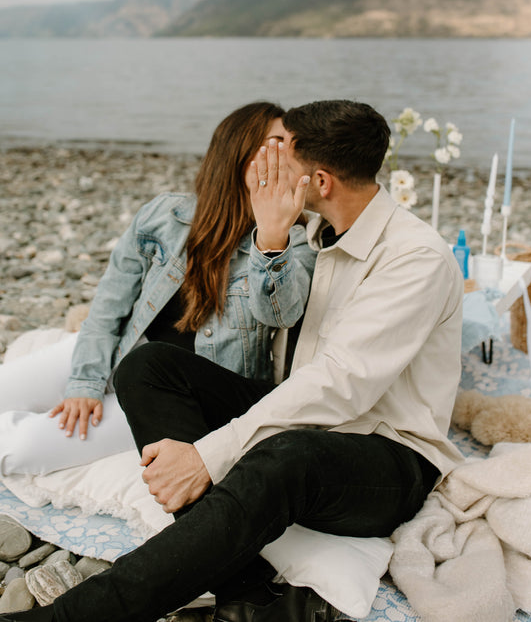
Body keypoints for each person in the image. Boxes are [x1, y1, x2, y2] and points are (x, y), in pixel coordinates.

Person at [0, 99, 464, 622]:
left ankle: (72, 617)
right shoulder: (315, 232)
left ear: (319, 181)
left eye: (282, 158)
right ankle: (247, 595)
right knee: (148, 366)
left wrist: (206, 456)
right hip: (308, 421)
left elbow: (339, 387)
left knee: (287, 456)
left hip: (386, 454)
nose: (271, 168)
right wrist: (271, 239)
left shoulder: (414, 257)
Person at [0, 101, 315, 477]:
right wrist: (85, 382)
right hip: (123, 346)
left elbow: (281, 314)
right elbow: (108, 307)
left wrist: (272, 237)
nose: (283, 158)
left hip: (170, 392)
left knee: (21, 447)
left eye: (290, 149)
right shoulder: (165, 216)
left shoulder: (296, 243)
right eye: (273, 144)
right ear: (237, 152)